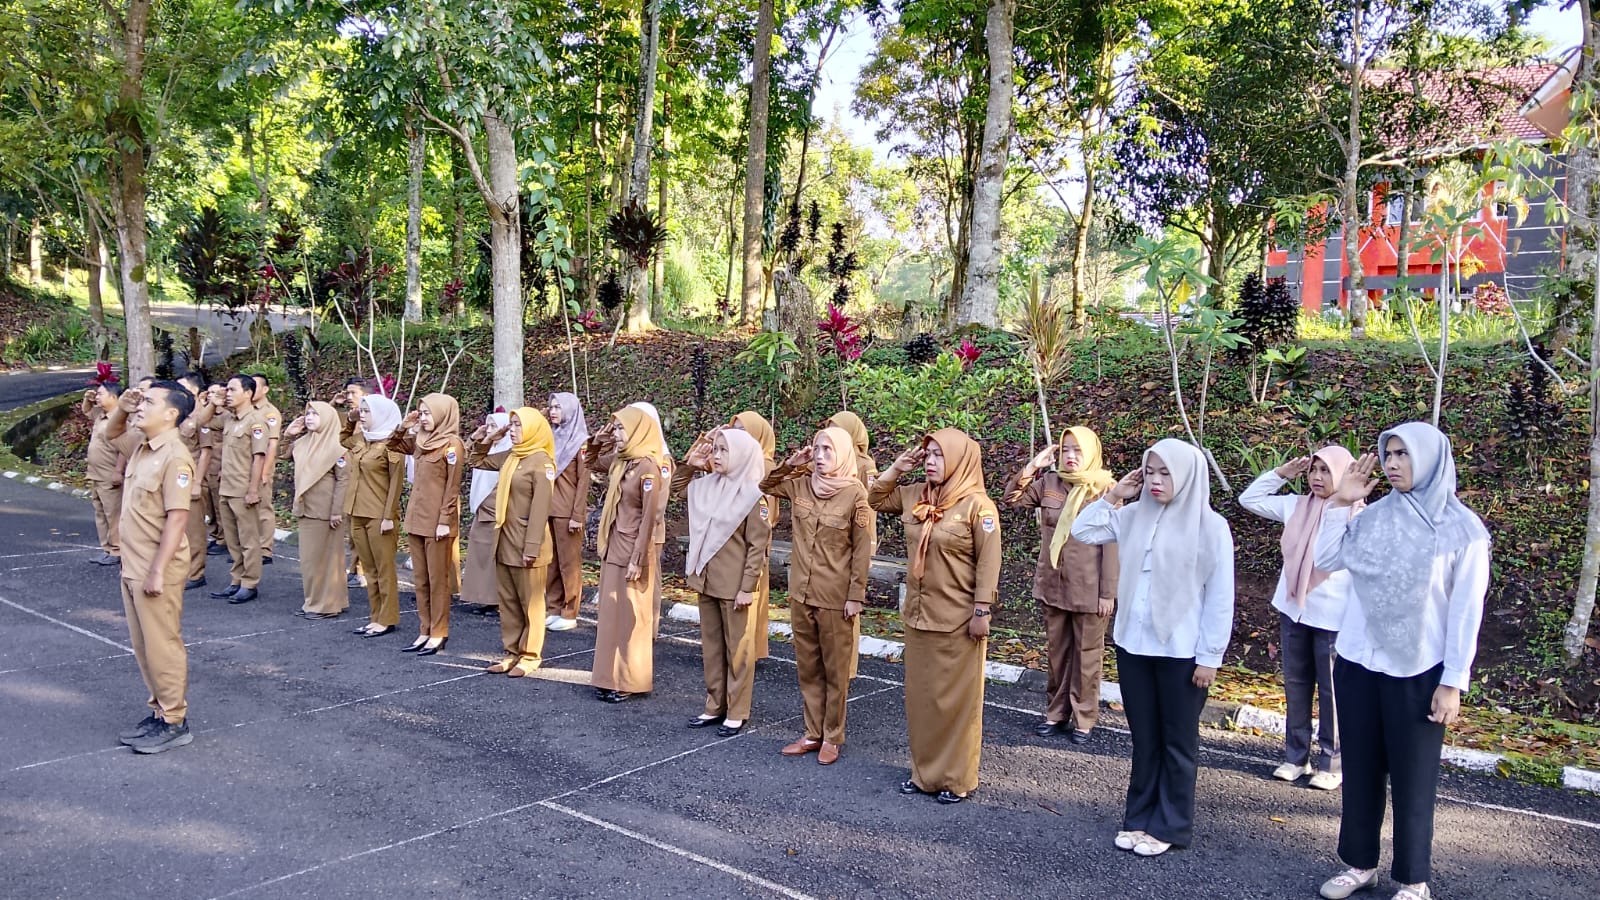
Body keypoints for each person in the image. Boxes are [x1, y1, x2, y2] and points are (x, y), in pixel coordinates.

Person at [1313, 424, 1489, 900]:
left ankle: (1413, 879)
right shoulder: (1372, 517)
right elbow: (1327, 558)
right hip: (1358, 661)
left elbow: (1464, 613)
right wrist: (1340, 503)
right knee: (1362, 770)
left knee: (1413, 780)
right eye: (1387, 454)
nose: (1392, 464)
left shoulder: (1461, 530)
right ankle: (1358, 864)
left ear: (1432, 459)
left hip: (1418, 670)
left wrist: (1453, 681)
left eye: (1404, 455)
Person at [1071, 438, 1235, 857]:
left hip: (1182, 653)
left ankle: (1170, 825)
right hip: (1134, 645)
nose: (1157, 481)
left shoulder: (1210, 526)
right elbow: (1082, 529)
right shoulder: (1132, 516)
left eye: (1167, 473)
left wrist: (1210, 658)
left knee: (1177, 743)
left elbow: (1220, 597)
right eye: (1151, 472)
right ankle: (1139, 818)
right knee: (1145, 739)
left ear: (1187, 476)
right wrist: (1114, 495)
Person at [871, 429, 999, 803]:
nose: (929, 461)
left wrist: (981, 610)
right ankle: (924, 774)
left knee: (956, 704)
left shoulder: (979, 506)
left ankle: (957, 779)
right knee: (922, 699)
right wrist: (897, 467)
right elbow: (874, 498)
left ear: (960, 460)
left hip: (959, 619)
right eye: (927, 455)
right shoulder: (914, 496)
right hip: (918, 616)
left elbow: (989, 562)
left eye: (938, 456)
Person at [1239, 446, 1357, 791]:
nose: (1318, 478)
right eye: (1314, 470)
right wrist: (1281, 473)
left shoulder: (1357, 514)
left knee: (1332, 690)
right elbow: (1251, 499)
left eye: (1326, 471)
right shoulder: (1296, 506)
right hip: (1294, 608)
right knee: (1296, 684)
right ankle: (1295, 757)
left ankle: (1331, 763)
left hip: (1334, 616)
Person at [762, 427, 873, 766]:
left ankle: (832, 736)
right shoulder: (800, 483)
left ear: (841, 454)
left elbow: (862, 550)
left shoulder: (856, 495)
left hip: (835, 596)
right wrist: (791, 465)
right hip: (802, 592)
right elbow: (765, 485)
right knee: (808, 667)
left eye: (828, 450)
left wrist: (855, 595)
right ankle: (812, 732)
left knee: (835, 671)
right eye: (817, 449)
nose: (821, 456)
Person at [1001, 426, 1119, 743]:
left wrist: (1108, 592)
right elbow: (1012, 500)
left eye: (1077, 451)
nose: (1069, 456)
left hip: (1089, 590)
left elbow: (1113, 545)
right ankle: (1055, 714)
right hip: (1054, 585)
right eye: (1065, 450)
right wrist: (1033, 466)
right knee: (1057, 655)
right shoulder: (1049, 483)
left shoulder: (1106, 489)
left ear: (1091, 453)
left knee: (1087, 656)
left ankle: (1083, 718)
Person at [113, 380, 197, 754]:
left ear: (171, 413)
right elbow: (111, 432)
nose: (140, 405)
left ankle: (175, 720)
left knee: (162, 645)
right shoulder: (143, 446)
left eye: (149, 401)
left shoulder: (175, 456)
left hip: (155, 568)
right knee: (142, 645)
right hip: (134, 564)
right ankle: (159, 712)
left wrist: (158, 571)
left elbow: (178, 519)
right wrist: (123, 407)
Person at [677, 428, 772, 737]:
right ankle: (714, 704)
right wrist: (692, 464)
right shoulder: (706, 486)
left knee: (739, 652)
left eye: (723, 450)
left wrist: (747, 587)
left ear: (743, 456)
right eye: (714, 449)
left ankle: (737, 710)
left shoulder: (753, 496)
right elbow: (675, 488)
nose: (716, 455)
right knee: (712, 648)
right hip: (706, 580)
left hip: (735, 587)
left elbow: (758, 547)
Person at [586, 406, 668, 703]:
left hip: (633, 549)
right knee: (610, 616)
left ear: (637, 431)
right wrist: (599, 439)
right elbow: (588, 462)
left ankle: (630, 680)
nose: (617, 434)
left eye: (621, 429)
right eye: (616, 429)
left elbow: (648, 518)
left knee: (632, 619)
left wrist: (638, 559)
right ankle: (608, 676)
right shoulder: (622, 462)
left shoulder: (648, 468)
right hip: (614, 546)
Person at [470, 407, 556, 676]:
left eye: (519, 426)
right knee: (507, 601)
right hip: (504, 538)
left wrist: (531, 548)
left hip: (527, 544)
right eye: (513, 426)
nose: (515, 431)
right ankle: (511, 652)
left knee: (530, 603)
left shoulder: (542, 463)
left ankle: (530, 656)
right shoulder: (512, 455)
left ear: (532, 429)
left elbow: (541, 510)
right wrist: (491, 436)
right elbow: (478, 460)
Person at [389, 394, 465, 655]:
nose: (423, 418)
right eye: (420, 413)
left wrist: (445, 520)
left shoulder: (452, 445)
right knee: (419, 580)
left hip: (437, 523)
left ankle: (438, 632)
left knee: (437, 580)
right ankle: (424, 629)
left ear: (443, 415)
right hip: (416, 518)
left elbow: (452, 487)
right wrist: (403, 425)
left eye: (428, 413)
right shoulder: (420, 440)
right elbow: (393, 445)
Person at [281, 401, 351, 619]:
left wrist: (337, 511)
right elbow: (281, 456)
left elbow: (343, 481)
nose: (309, 418)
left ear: (328, 419)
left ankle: (323, 606)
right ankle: (328, 601)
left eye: (315, 414)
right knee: (312, 559)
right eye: (307, 413)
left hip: (326, 511)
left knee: (323, 559)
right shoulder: (303, 443)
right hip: (306, 508)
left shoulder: (338, 449)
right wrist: (288, 435)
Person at [345, 394, 405, 637]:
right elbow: (344, 439)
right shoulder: (363, 439)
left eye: (367, 412)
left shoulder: (392, 444)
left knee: (384, 568)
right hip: (357, 511)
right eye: (362, 411)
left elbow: (396, 483)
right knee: (368, 568)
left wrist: (389, 515)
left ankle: (387, 618)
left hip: (379, 514)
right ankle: (374, 616)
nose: (363, 415)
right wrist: (350, 419)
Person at [209, 374, 269, 604]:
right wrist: (214, 403)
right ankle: (236, 579)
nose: (228, 393)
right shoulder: (229, 419)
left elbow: (258, 458)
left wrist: (253, 489)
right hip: (227, 488)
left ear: (248, 393)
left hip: (244, 490)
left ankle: (250, 583)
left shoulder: (256, 421)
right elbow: (203, 422)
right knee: (232, 539)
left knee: (248, 539)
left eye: (233, 389)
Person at [726, 410, 777, 659]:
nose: (737, 436)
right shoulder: (735, 461)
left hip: (753, 539)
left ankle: (750, 650)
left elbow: (768, 510)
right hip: (734, 539)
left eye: (743, 431)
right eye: (733, 430)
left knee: (750, 595)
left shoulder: (765, 465)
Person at [544, 392, 590, 632]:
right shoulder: (551, 437)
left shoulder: (581, 442)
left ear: (571, 410)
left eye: (558, 408)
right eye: (551, 407)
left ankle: (570, 610)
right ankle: (553, 607)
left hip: (567, 511)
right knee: (550, 562)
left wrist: (577, 515)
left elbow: (584, 481)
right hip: (548, 508)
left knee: (569, 562)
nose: (553, 412)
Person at [81, 380, 140, 566]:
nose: (97, 397)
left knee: (113, 513)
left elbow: (124, 447)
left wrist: (118, 471)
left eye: (100, 394)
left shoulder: (120, 420)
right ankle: (106, 548)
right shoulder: (101, 415)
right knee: (100, 512)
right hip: (95, 474)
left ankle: (117, 550)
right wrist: (87, 398)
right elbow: (86, 411)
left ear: (114, 397)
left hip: (109, 473)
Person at [462, 411, 512, 616]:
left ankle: (498, 600)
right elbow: (467, 457)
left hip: (496, 509)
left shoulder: (508, 452)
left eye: (494, 426)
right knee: (480, 554)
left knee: (494, 556)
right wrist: (479, 436)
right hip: (482, 508)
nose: (490, 430)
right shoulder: (486, 449)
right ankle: (484, 597)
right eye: (488, 426)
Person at [336, 377, 377, 588]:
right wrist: (335, 403)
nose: (349, 397)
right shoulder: (347, 418)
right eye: (347, 393)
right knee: (352, 529)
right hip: (347, 478)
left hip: (367, 482)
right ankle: (354, 568)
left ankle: (361, 570)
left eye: (354, 393)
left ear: (366, 396)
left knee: (363, 529)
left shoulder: (373, 420)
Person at [175, 373, 211, 590]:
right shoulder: (178, 415)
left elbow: (206, 451)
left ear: (196, 391)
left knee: (194, 530)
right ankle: (182, 569)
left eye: (183, 387)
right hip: (175, 480)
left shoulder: (201, 417)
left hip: (192, 479)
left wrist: (198, 482)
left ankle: (196, 573)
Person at [250, 374, 283, 566]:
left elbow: (272, 444)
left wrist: (264, 472)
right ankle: (251, 548)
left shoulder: (270, 413)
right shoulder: (246, 410)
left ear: (265, 389)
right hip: (246, 466)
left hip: (261, 465)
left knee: (263, 509)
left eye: (255, 386)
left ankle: (265, 549)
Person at [200, 382, 229, 556]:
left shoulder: (227, 415)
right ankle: (215, 533)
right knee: (209, 505)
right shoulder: (206, 414)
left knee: (220, 505)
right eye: (209, 392)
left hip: (220, 464)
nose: (211, 395)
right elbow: (199, 421)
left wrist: (224, 467)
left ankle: (224, 539)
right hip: (207, 465)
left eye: (215, 392)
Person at [822, 411, 878, 487]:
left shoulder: (866, 466)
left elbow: (871, 495)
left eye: (838, 433)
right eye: (831, 432)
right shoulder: (824, 459)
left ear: (851, 434)